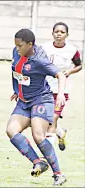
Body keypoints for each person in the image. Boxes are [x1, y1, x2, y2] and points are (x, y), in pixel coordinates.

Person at [6, 28, 67, 186]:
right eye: (16, 45)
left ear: (30, 45)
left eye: (20, 46)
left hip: (40, 99)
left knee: (38, 135)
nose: (17, 48)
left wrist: (60, 94)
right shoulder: (16, 52)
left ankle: (58, 174)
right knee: (11, 131)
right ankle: (38, 162)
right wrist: (16, 90)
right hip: (24, 101)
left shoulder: (39, 60)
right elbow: (15, 71)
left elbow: (60, 75)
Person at [42, 22, 82, 151]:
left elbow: (79, 65)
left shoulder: (72, 50)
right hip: (45, 89)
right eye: (56, 31)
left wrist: (70, 71)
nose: (59, 34)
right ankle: (60, 133)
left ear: (67, 35)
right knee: (43, 120)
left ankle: (48, 153)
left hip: (61, 91)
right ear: (52, 33)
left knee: (52, 118)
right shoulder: (44, 48)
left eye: (62, 32)